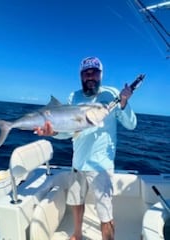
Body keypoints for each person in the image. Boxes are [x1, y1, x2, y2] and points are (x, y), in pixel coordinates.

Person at [35, 56, 137, 240]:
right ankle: (77, 234)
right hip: (77, 162)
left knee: (105, 213)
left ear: (101, 74)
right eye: (86, 73)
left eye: (94, 72)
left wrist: (123, 102)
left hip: (100, 167)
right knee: (76, 201)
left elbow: (131, 125)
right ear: (81, 76)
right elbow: (69, 131)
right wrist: (53, 134)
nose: (90, 76)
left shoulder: (111, 93)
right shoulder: (73, 96)